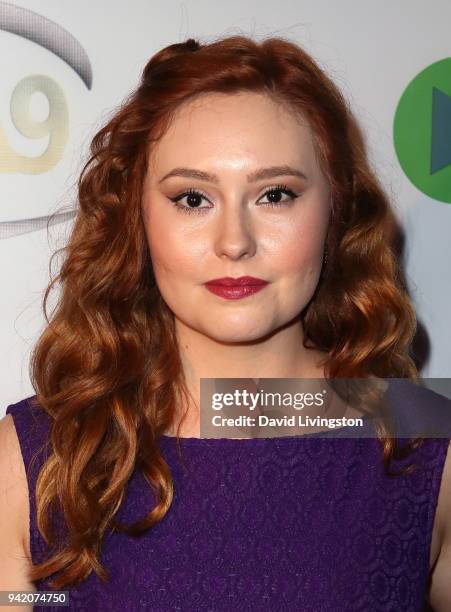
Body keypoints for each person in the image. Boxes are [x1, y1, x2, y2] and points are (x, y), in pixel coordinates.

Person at [1, 34, 450, 611]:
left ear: (335, 209)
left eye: (275, 194)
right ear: (136, 218)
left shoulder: (426, 448)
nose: (234, 242)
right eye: (192, 199)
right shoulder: (36, 463)